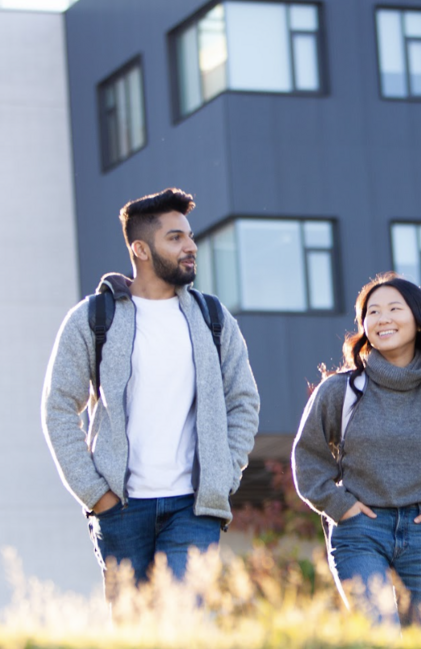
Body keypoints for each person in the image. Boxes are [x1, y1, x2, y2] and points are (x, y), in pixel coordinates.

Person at [42, 188, 259, 600]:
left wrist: (223, 475)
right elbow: (58, 408)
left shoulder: (213, 318)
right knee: (134, 627)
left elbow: (243, 401)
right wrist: (96, 495)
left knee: (182, 620)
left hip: (193, 509)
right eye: (175, 238)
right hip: (120, 510)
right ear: (140, 249)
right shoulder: (93, 318)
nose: (190, 246)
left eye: (189, 236)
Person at [292, 275, 421, 627]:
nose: (382, 318)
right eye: (372, 312)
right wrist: (339, 506)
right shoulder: (340, 391)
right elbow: (308, 458)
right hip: (359, 531)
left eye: (393, 309)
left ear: (419, 320)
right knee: (377, 635)